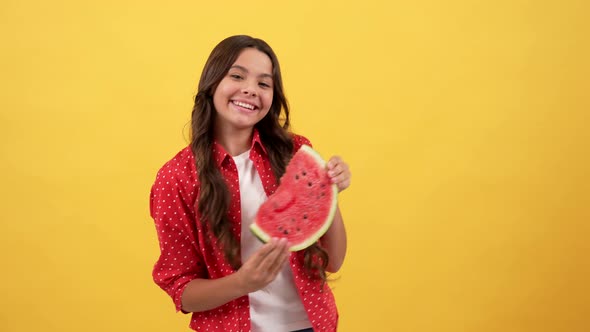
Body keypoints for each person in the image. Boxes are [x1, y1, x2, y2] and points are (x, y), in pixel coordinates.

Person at [149, 35, 351, 332]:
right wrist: (242, 283)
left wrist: (327, 191)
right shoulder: (177, 177)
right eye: (237, 76)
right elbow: (183, 291)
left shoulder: (295, 153)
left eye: (264, 83)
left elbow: (334, 260)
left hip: (312, 323)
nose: (250, 89)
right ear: (212, 82)